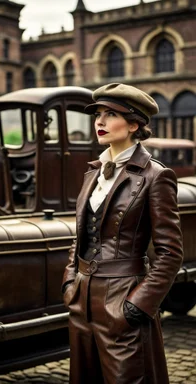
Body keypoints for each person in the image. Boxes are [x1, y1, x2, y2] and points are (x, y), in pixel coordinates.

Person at [62, 83, 183, 384]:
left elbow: (171, 253)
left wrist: (137, 306)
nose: (99, 122)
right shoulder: (93, 172)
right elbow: (81, 235)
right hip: (81, 299)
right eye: (98, 114)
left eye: (110, 114)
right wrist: (69, 282)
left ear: (134, 124)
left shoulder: (156, 176)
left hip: (123, 300)